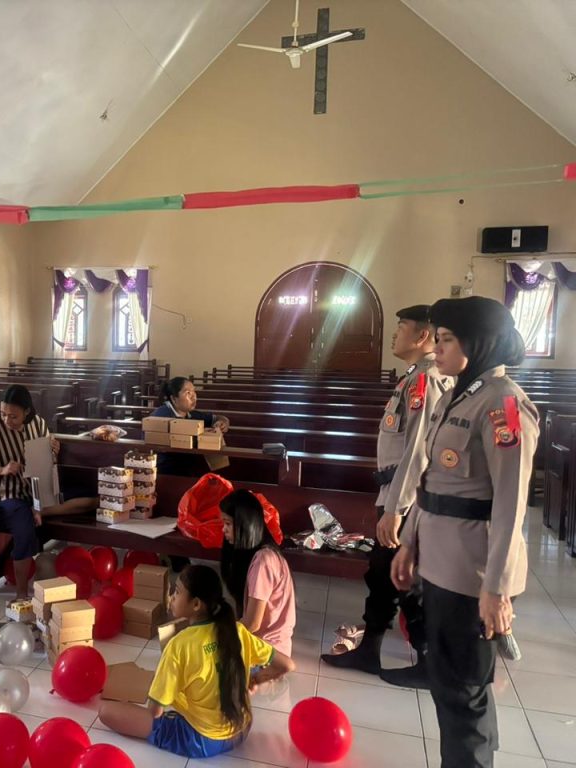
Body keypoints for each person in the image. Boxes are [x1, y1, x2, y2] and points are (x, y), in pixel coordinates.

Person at [391, 296, 537, 768]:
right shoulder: (460, 394)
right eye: (438, 339)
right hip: (441, 563)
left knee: (463, 692)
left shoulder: (503, 404)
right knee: (453, 685)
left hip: (472, 574)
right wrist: (409, 542)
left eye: (448, 340)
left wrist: (496, 587)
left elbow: (511, 505)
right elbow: (432, 482)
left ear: (478, 343)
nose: (437, 349)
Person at [322, 305, 453, 688]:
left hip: (405, 498)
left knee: (404, 578)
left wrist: (396, 508)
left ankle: (428, 659)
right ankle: (370, 650)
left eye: (401, 327)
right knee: (382, 574)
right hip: (394, 491)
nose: (394, 334)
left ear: (422, 336)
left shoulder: (425, 380)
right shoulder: (412, 377)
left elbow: (417, 451)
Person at [98, 565, 294, 759]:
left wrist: (162, 688)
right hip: (241, 729)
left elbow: (155, 711)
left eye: (177, 592)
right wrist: (256, 679)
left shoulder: (179, 645)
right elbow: (287, 665)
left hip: (202, 740)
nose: (171, 597)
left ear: (196, 604)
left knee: (105, 711)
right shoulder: (238, 631)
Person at [0, 384, 60, 599]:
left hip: (36, 491)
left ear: (27, 412)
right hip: (8, 495)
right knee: (24, 527)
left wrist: (54, 450)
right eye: (3, 414)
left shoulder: (38, 424)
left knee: (77, 500)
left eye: (13, 416)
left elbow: (46, 462)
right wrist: (1, 470)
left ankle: (40, 511)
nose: (7, 420)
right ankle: (21, 594)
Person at [219, 489, 296, 656]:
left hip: (267, 652)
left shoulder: (264, 561)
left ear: (245, 524)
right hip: (260, 644)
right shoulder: (258, 555)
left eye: (228, 524)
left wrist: (220, 638)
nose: (224, 530)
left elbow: (252, 623)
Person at [151, 377, 230, 477]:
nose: (194, 397)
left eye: (194, 392)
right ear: (174, 398)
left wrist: (222, 422)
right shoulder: (161, 416)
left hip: (186, 469)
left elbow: (218, 418)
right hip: (165, 472)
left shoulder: (190, 413)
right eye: (188, 393)